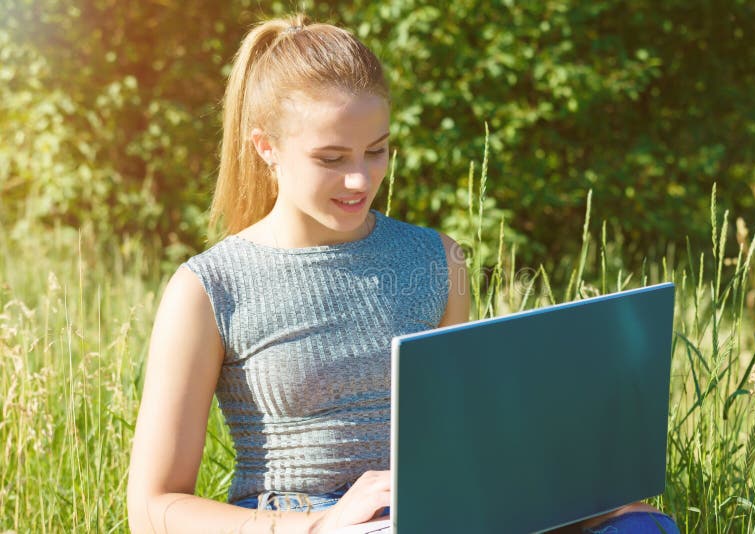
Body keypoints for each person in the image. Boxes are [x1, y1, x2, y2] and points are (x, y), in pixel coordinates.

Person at [126, 14, 679, 534]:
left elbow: (457, 450)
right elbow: (151, 508)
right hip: (299, 521)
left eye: (377, 151)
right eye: (331, 158)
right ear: (266, 146)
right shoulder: (209, 287)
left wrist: (568, 500)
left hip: (427, 517)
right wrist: (318, 524)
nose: (359, 181)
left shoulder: (436, 258)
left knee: (639, 525)